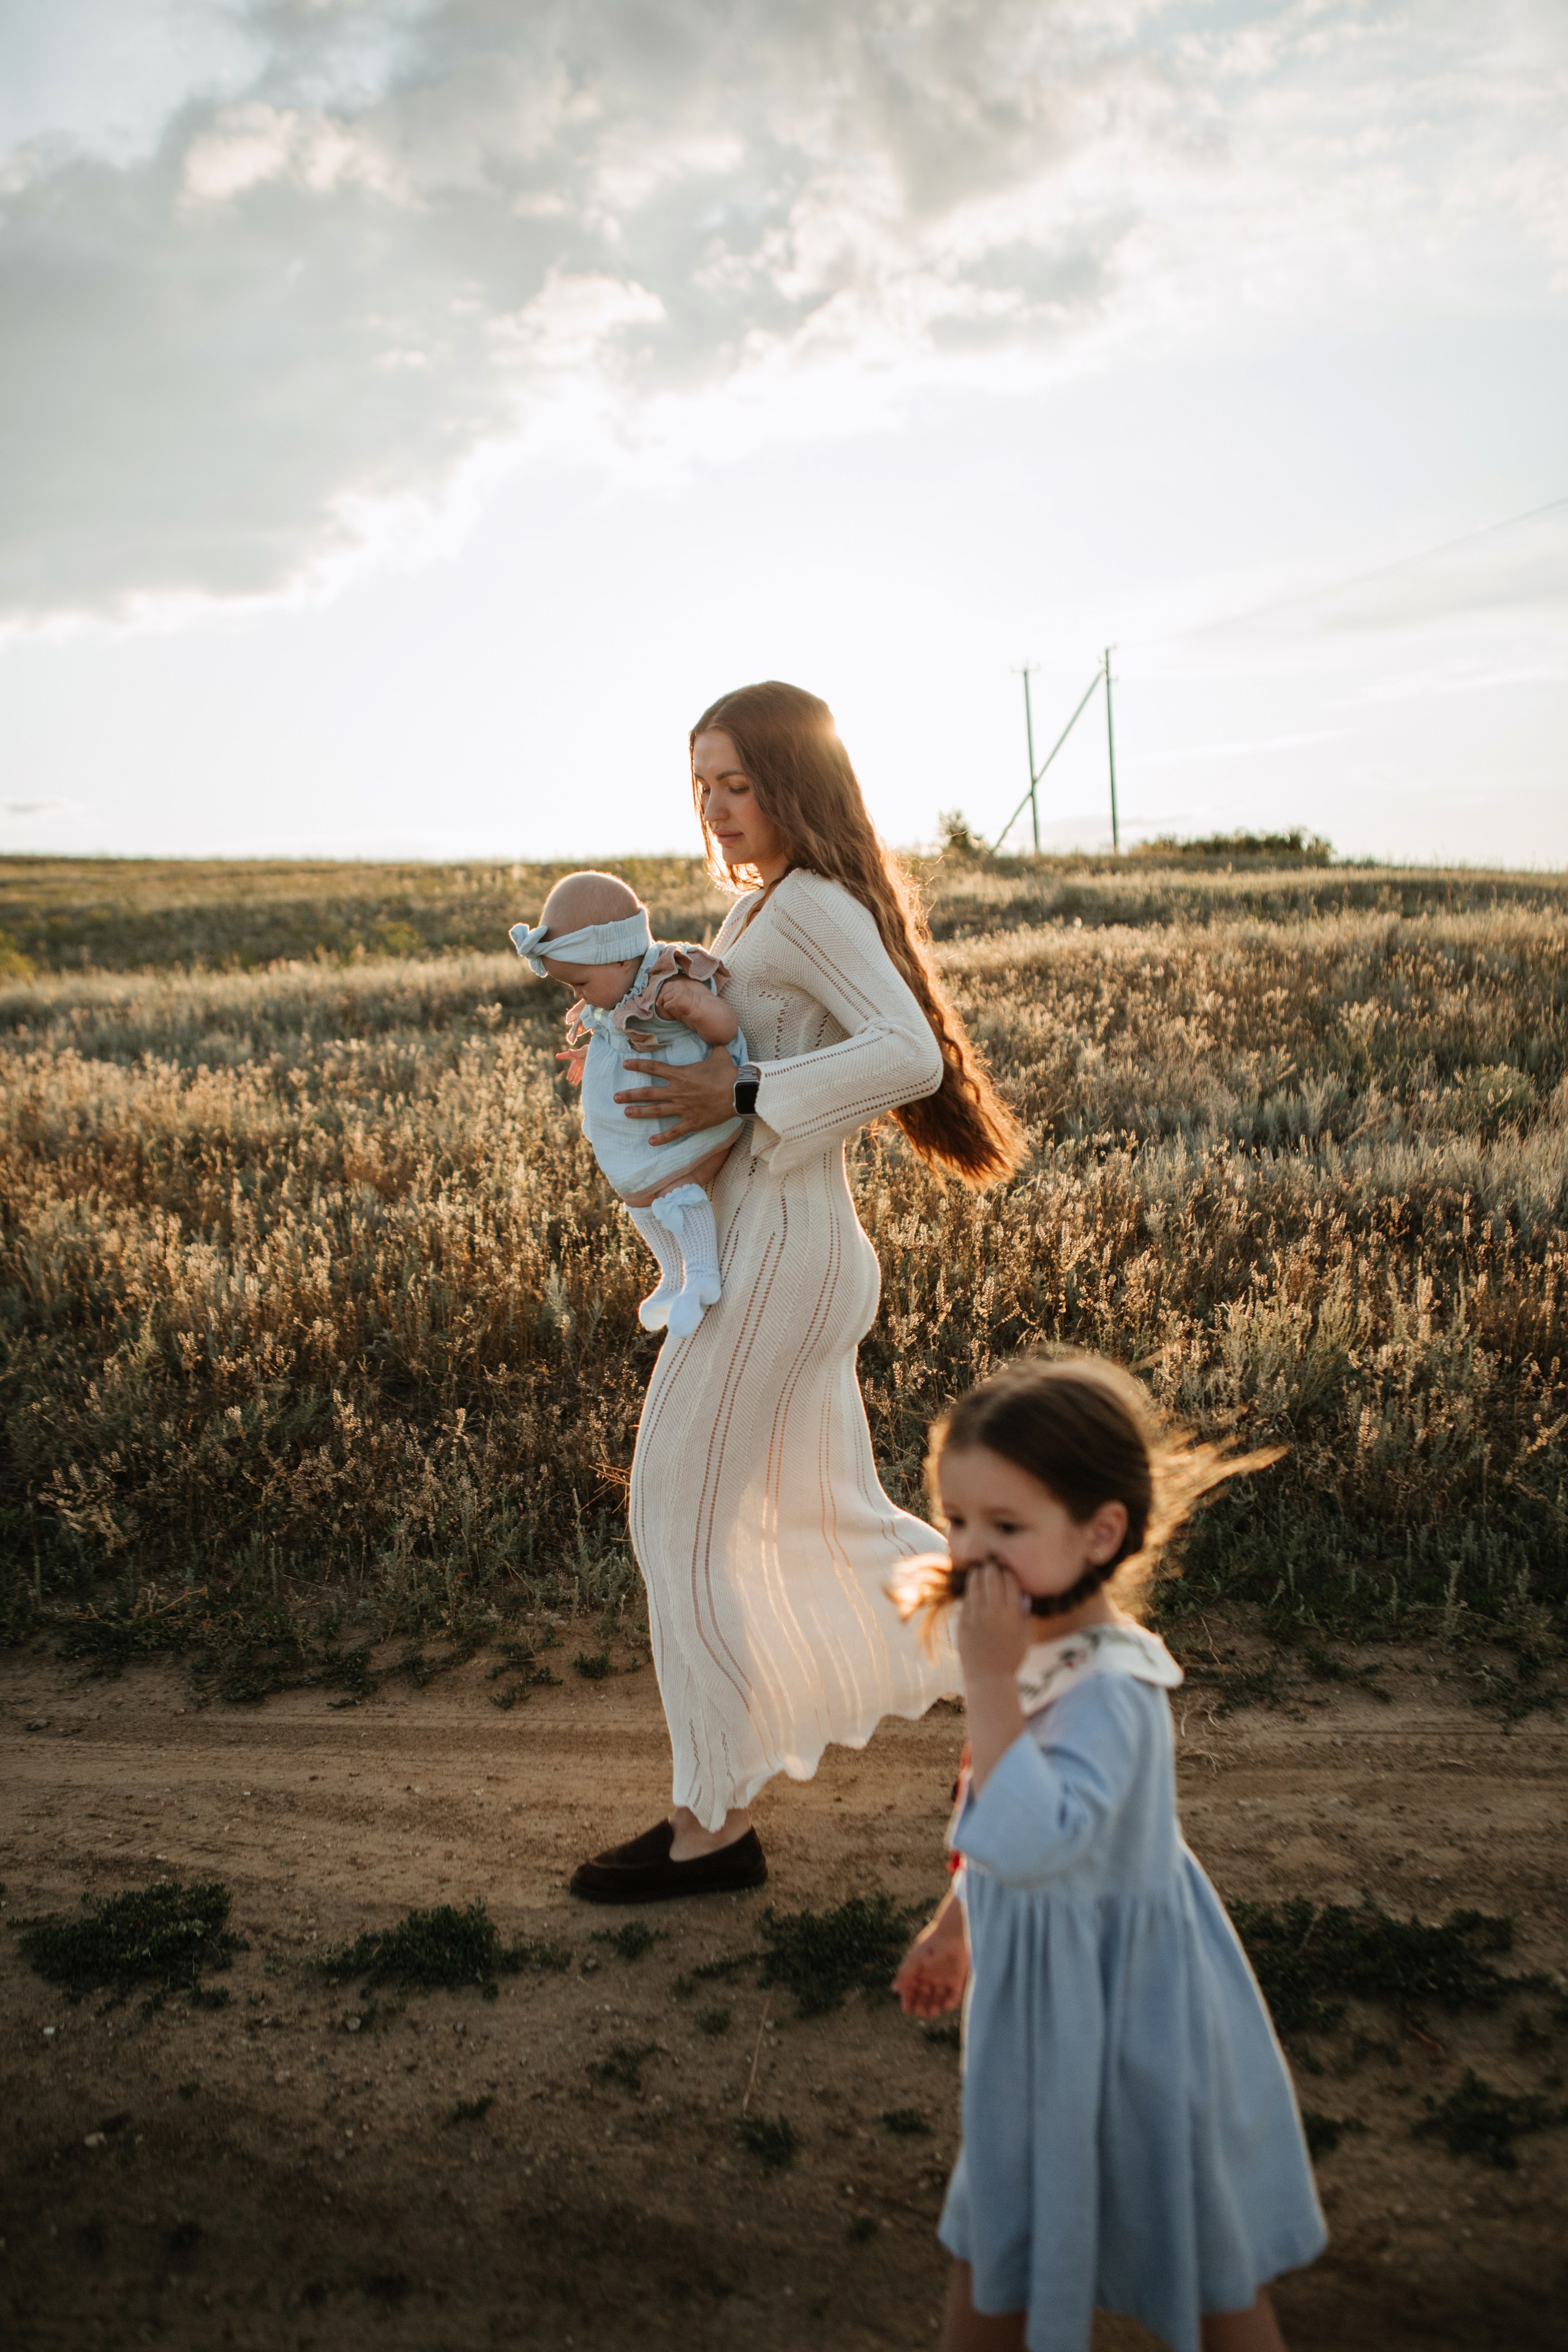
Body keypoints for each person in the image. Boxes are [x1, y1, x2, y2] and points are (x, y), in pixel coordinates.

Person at [569, 679, 1024, 1903]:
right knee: (821, 1515)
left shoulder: (812, 901)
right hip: (775, 1247)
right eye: (701, 786)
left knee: (676, 1509)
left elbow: (904, 1052)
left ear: (793, 783)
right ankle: (1035, 1653)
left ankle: (708, 1828)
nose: (717, 809)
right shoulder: (767, 905)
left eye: (738, 782)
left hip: (784, 1251)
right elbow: (746, 1043)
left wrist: (745, 1098)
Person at [891, 1355, 1325, 2352]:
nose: (970, 1552)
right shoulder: (1039, 1648)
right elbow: (993, 1808)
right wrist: (956, 1925)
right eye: (957, 1521)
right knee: (997, 2222)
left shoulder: (1116, 1693)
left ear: (1100, 1532)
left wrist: (990, 1685)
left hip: (1130, 2018)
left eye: (1006, 1527)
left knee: (1194, 2237)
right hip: (1040, 2006)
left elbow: (1041, 1835)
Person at [510, 868, 750, 1336]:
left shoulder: (665, 985)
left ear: (620, 960)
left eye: (580, 983)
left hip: (688, 1119)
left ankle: (702, 1273)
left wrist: (696, 1008)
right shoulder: (618, 987)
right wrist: (593, 1050)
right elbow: (615, 1027)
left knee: (677, 1185)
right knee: (637, 1194)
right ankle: (674, 1273)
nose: (578, 996)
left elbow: (726, 1029)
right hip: (637, 1128)